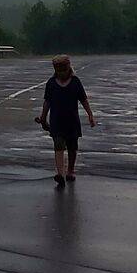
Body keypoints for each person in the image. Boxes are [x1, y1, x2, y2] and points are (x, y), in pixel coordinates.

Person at [36, 54, 95, 188]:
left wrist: (90, 115)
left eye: (63, 70)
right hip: (56, 121)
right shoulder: (51, 83)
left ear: (69, 68)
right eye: (59, 70)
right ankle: (60, 174)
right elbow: (47, 102)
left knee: (72, 147)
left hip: (72, 121)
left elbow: (83, 99)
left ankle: (70, 171)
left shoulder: (75, 82)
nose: (61, 73)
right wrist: (43, 118)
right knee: (58, 145)